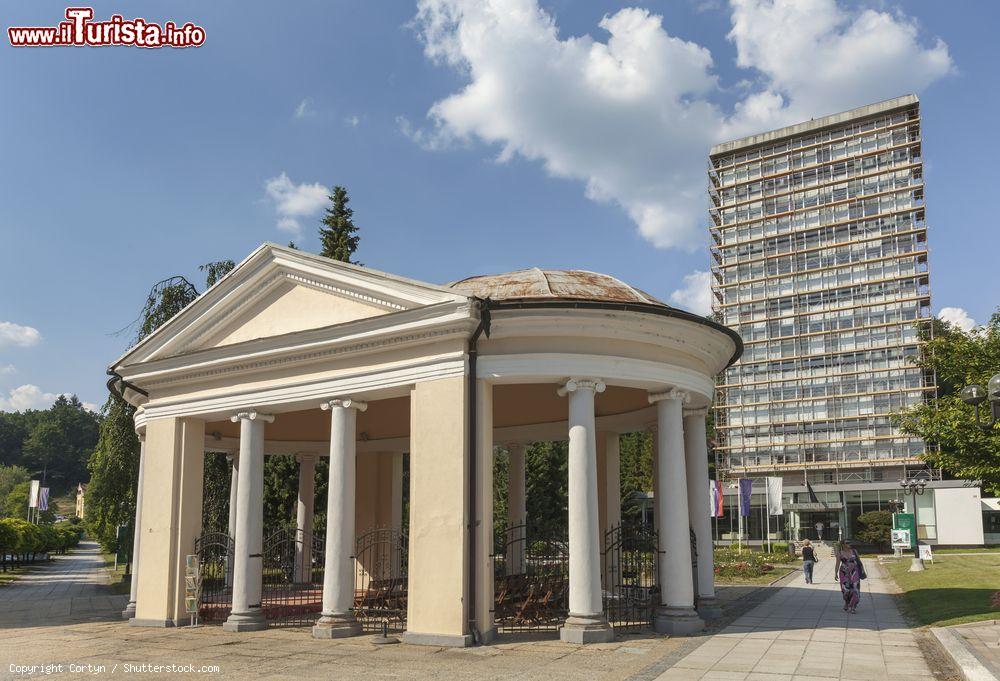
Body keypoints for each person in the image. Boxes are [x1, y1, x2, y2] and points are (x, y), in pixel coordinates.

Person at [834, 540, 866, 613]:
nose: (849, 544)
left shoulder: (854, 551)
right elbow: (837, 563)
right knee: (846, 590)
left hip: (854, 572)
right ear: (843, 545)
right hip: (844, 573)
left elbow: (859, 561)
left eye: (850, 542)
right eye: (847, 543)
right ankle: (847, 602)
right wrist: (835, 573)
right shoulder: (839, 553)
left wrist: (862, 571)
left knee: (856, 590)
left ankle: (853, 606)